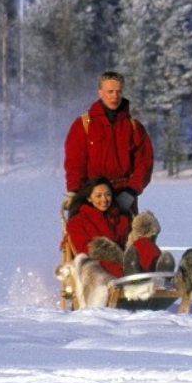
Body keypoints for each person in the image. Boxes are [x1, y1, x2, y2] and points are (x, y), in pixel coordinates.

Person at [64, 71, 154, 215]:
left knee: (126, 237)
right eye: (110, 91)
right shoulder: (83, 125)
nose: (115, 96)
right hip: (91, 196)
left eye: (118, 91)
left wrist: (131, 191)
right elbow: (75, 163)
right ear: (100, 93)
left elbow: (144, 164)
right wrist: (74, 192)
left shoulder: (133, 127)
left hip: (123, 196)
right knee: (87, 237)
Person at [65, 177, 131, 278]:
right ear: (89, 198)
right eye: (98, 196)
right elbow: (83, 249)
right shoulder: (77, 222)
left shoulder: (122, 219)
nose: (104, 199)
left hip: (123, 263)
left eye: (108, 194)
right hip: (95, 267)